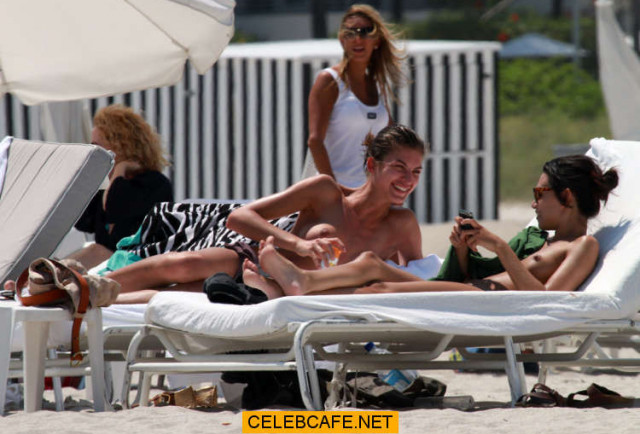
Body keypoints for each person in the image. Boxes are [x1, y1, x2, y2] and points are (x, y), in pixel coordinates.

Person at [101, 124, 426, 303]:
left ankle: (95, 298)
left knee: (172, 298)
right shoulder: (326, 191)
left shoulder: (402, 225)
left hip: (280, 292)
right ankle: (91, 285)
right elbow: (240, 218)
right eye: (399, 167)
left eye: (416, 171)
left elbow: (418, 278)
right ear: (372, 165)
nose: (408, 180)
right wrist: (298, 245)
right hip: (253, 260)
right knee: (184, 264)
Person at [243, 155, 618, 297]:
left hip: (482, 300)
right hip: (471, 289)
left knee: (380, 289)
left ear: (567, 197)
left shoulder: (583, 246)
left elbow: (548, 300)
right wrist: (465, 249)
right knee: (371, 263)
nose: (534, 202)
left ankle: (294, 288)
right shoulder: (544, 241)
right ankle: (293, 286)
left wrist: (500, 247)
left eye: (540, 193)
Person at [307, 4, 405, 189]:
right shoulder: (329, 80)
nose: (358, 39)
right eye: (351, 32)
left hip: (371, 191)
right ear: (342, 40)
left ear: (377, 41)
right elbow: (315, 141)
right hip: (334, 192)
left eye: (366, 32)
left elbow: (390, 139)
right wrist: (336, 192)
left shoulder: (377, 85)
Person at [69, 104, 173, 268]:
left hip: (138, 265)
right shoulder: (106, 184)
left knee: (96, 251)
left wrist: (119, 169)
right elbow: (83, 221)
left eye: (98, 146)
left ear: (121, 146)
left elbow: (115, 210)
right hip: (109, 265)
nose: (93, 151)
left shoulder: (153, 184)